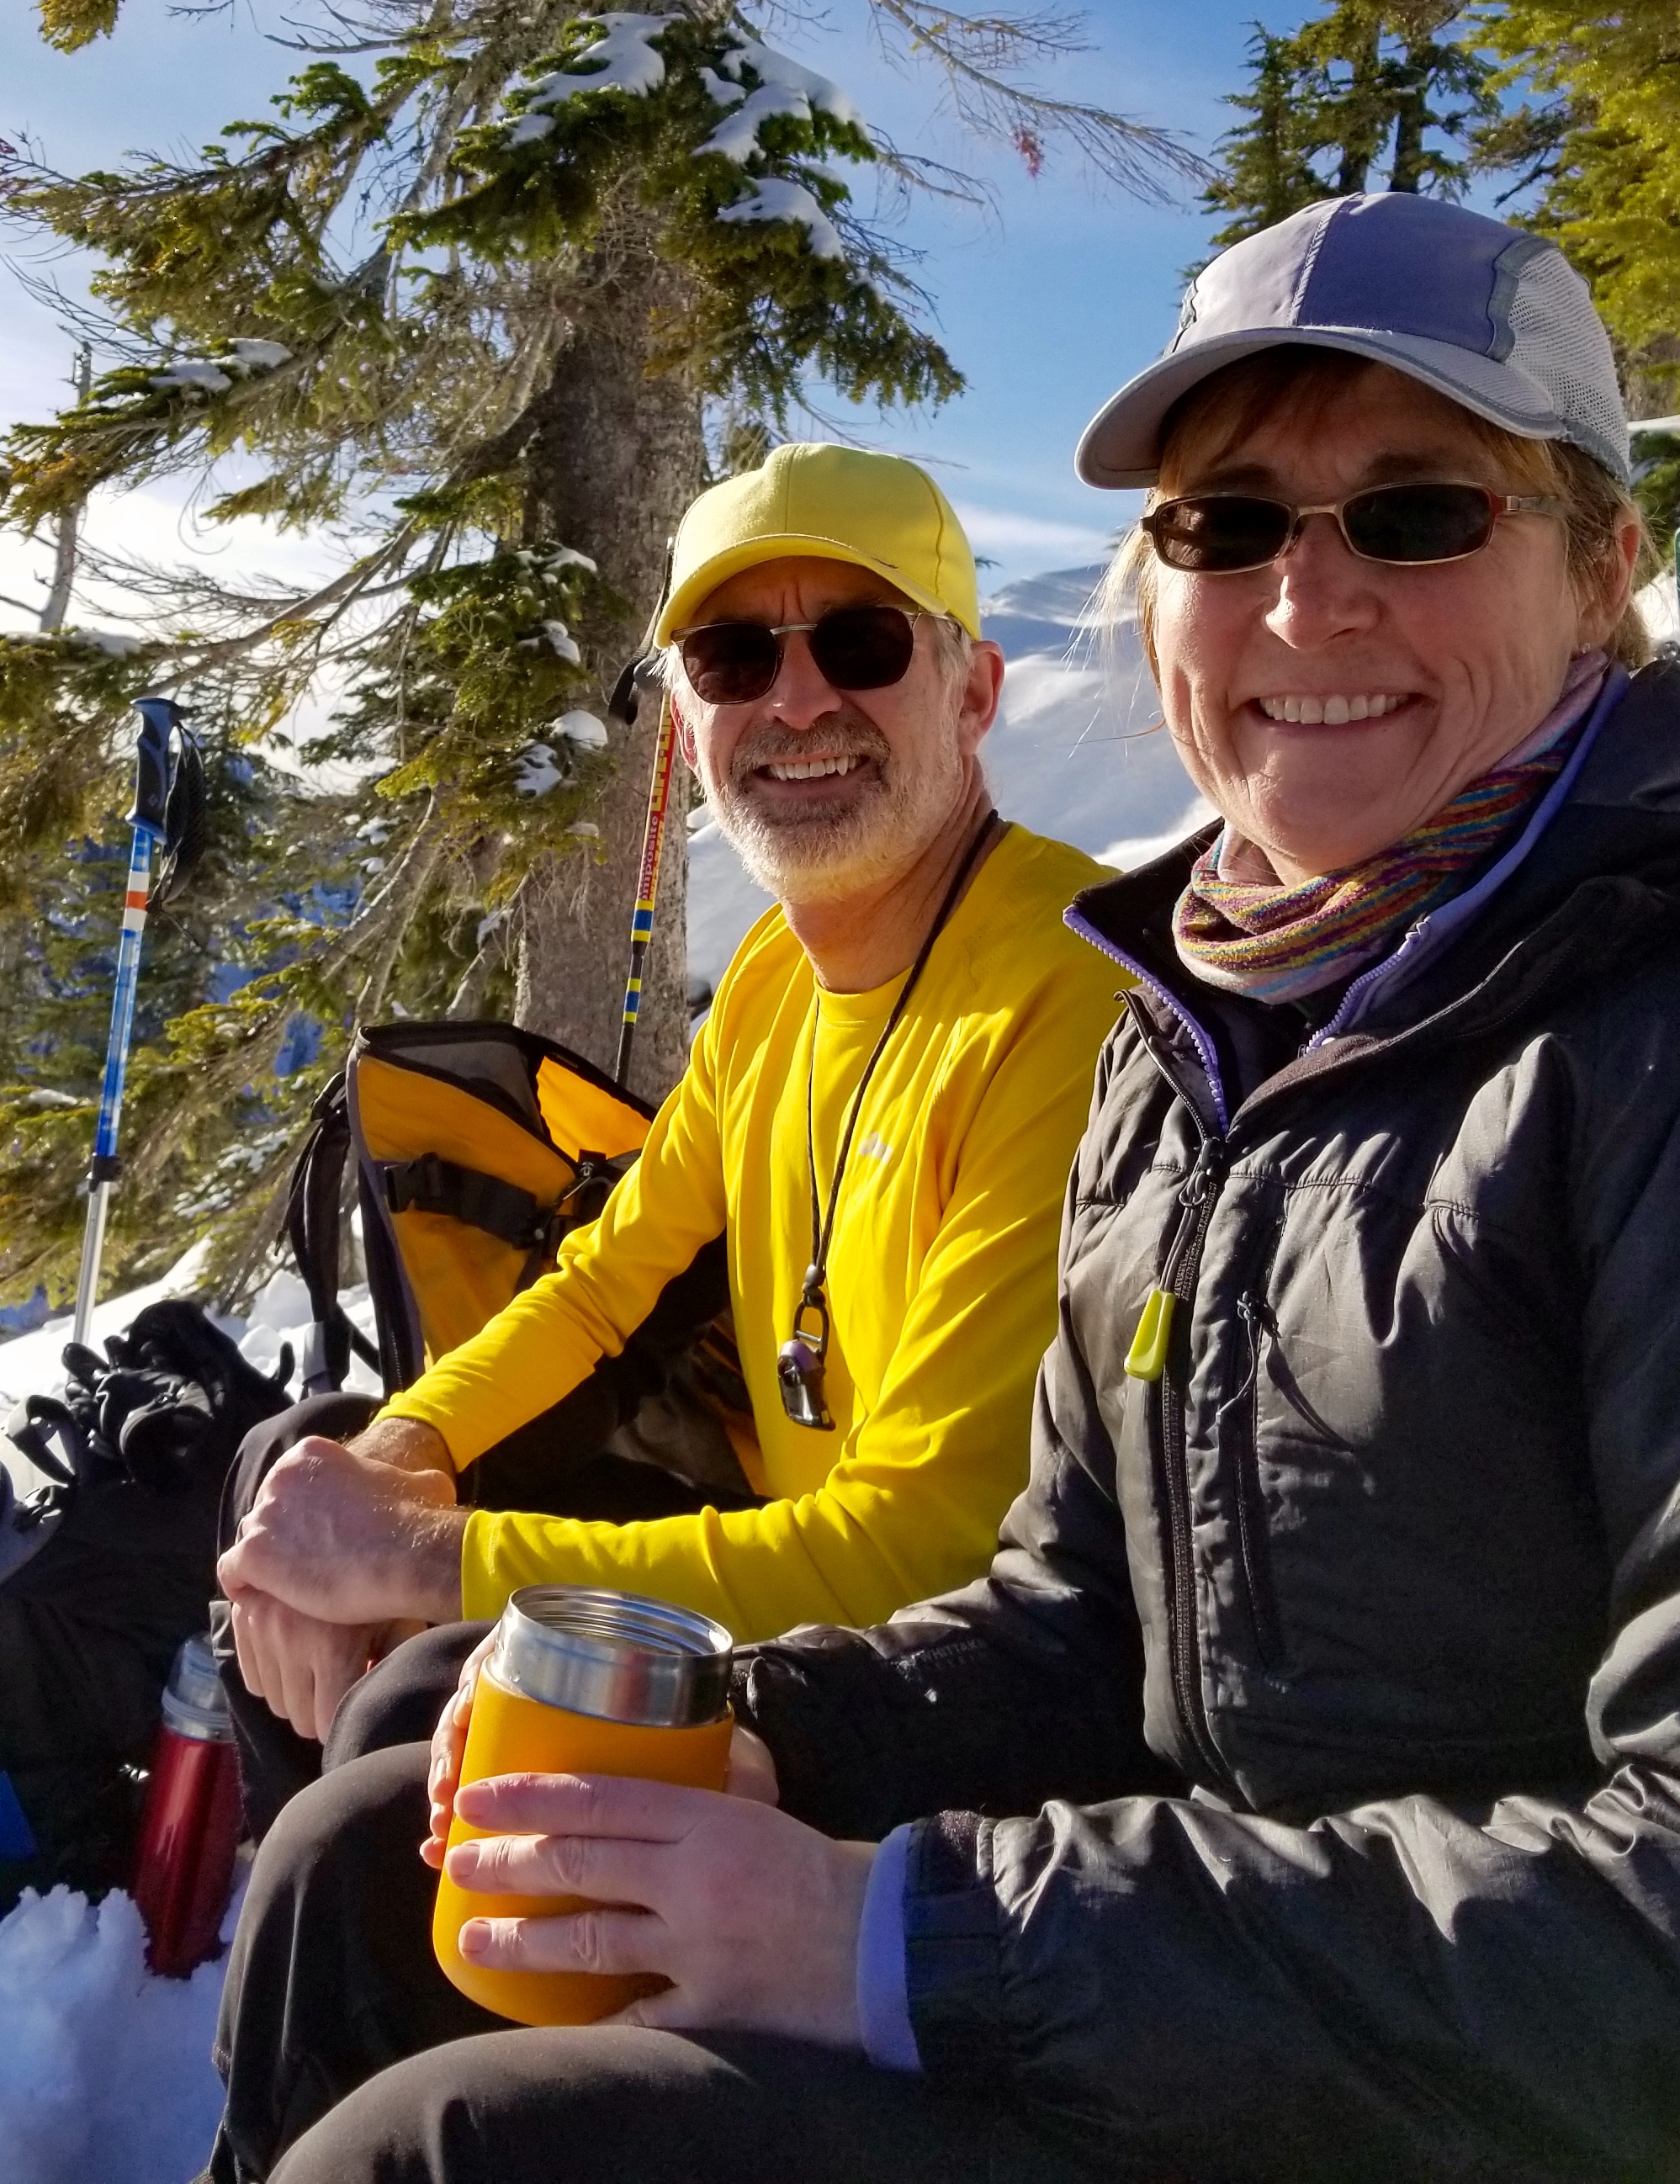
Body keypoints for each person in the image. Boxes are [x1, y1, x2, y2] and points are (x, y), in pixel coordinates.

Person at [224, 193, 1680, 2183]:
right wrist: (770, 1733)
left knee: (469, 2150)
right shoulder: (1216, 1023)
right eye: (1229, 524)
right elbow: (1075, 1617)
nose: (1309, 597)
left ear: (1604, 571)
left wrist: (893, 1929)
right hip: (1281, 1989)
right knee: (375, 1876)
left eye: (1418, 510)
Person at [202, 444, 1131, 2170]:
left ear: (974, 690)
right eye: (732, 654)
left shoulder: (1058, 995)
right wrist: (396, 1459)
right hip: (804, 1592)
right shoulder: (778, 975)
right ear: (689, 716)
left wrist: (420, 1564)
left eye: (861, 640)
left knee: (398, 1754)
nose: (797, 699)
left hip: (951, 1689)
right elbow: (605, 1277)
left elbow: (934, 1544)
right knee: (313, 1474)